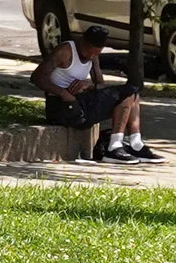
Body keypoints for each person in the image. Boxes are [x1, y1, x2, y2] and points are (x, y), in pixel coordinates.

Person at [39, 25, 161, 164]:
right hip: (62, 107)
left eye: (96, 53)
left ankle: (136, 144)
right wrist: (63, 93)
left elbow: (100, 85)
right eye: (89, 52)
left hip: (80, 103)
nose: (91, 56)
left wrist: (89, 85)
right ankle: (113, 147)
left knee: (133, 93)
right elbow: (38, 77)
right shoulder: (66, 51)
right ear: (83, 42)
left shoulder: (93, 56)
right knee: (126, 94)